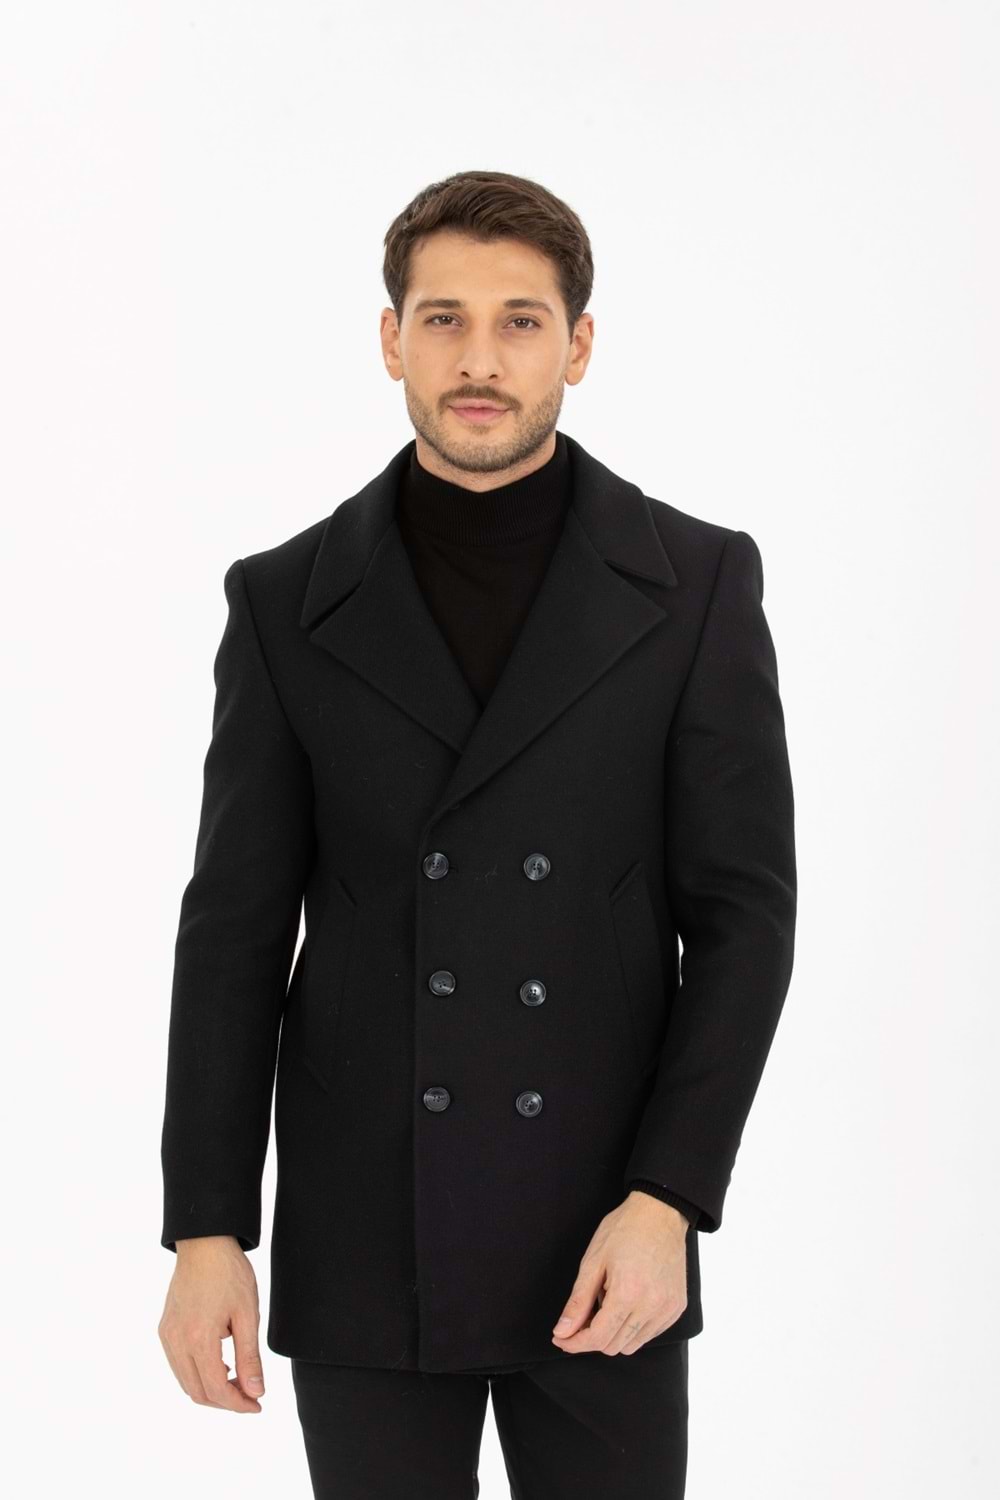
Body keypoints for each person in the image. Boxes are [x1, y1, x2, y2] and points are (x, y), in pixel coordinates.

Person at [157, 169, 797, 1499]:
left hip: (606, 1225)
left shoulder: (694, 584)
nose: (480, 360)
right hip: (365, 1222)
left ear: (579, 345)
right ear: (392, 340)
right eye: (444, 319)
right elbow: (233, 932)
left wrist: (672, 1200)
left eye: (521, 321)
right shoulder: (285, 600)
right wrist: (208, 1226)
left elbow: (743, 920)